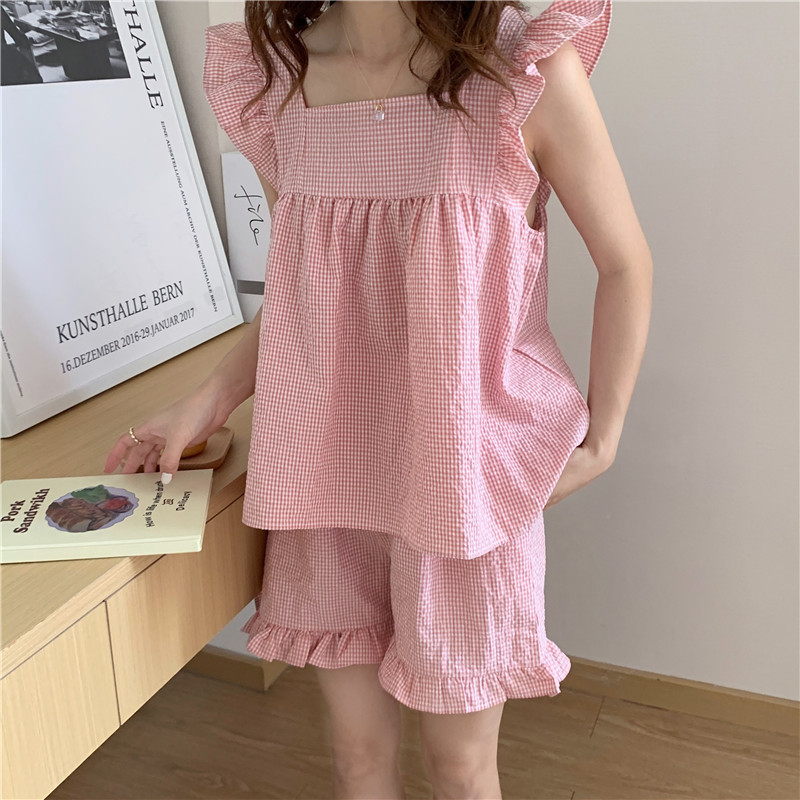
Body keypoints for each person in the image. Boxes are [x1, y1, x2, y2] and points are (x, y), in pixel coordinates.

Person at [104, 1, 652, 798]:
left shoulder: (518, 70)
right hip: (326, 475)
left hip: (462, 482)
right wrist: (208, 398)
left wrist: (604, 439)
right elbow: (308, 292)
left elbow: (626, 263)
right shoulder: (279, 80)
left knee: (460, 768)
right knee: (356, 757)